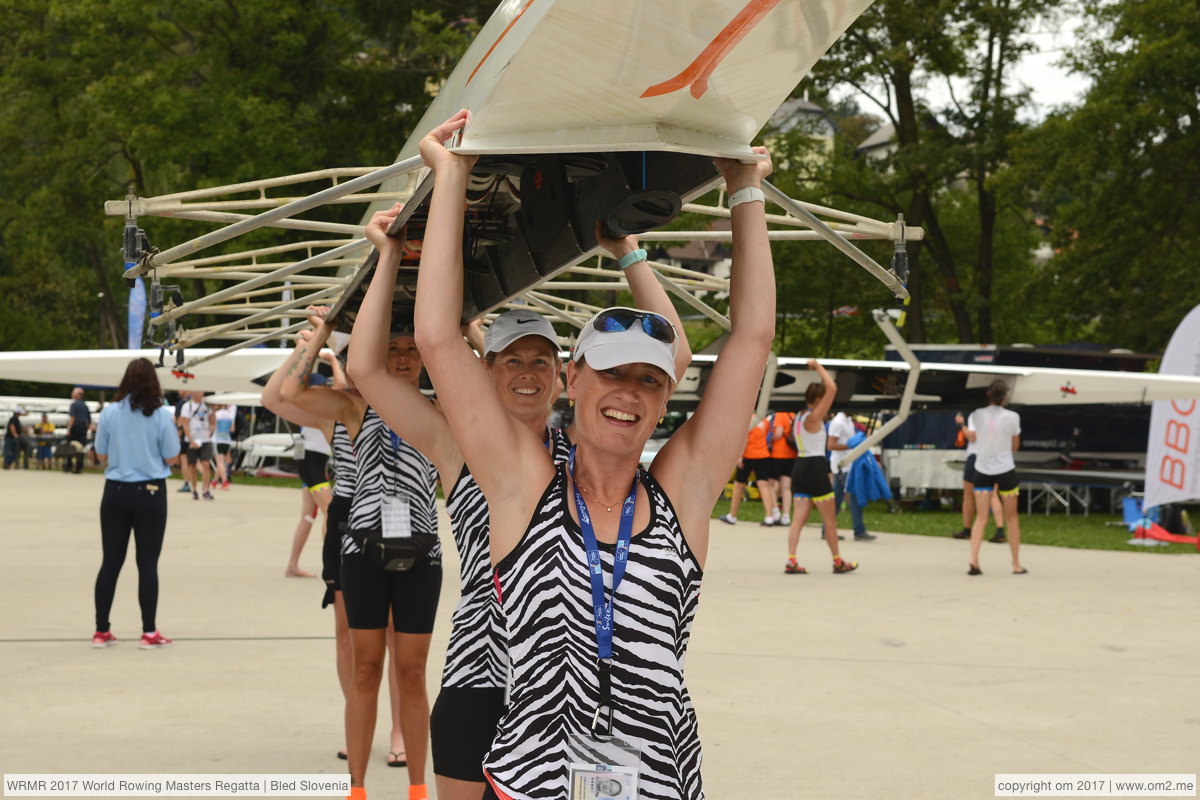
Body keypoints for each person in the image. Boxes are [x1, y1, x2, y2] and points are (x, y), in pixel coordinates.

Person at [413, 110, 775, 800]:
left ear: (664, 400)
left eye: (648, 379)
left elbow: (750, 340)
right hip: (532, 785)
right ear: (571, 381)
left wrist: (744, 191)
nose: (628, 393)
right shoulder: (522, 487)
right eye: (611, 373)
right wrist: (453, 176)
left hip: (660, 784)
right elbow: (437, 340)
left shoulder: (682, 492)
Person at [351, 192, 688, 800]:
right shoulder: (456, 447)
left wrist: (631, 255)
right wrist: (388, 259)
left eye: (541, 360)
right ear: (486, 370)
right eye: (512, 361)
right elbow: (368, 372)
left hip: (574, 690)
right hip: (481, 674)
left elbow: (671, 361)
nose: (527, 372)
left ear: (566, 376)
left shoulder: (587, 449)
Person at [280, 310, 435, 799]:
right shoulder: (354, 407)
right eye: (394, 347)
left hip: (422, 553)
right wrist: (322, 336)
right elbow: (290, 393)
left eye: (412, 348)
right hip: (361, 550)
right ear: (378, 356)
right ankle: (358, 788)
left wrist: (467, 332)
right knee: (365, 667)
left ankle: (414, 789)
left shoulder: (443, 406)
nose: (404, 356)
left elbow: (493, 384)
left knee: (411, 671)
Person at [263, 328, 409, 774]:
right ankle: (358, 720)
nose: (351, 367)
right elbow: (274, 398)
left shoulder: (406, 403)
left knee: (395, 634)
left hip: (401, 518)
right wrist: (307, 345)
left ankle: (399, 732)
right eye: (345, 360)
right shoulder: (335, 411)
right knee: (348, 635)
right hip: (347, 521)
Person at [91, 358, 181, 649]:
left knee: (111, 562)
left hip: (115, 491)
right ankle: (149, 632)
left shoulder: (110, 413)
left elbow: (101, 455)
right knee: (147, 563)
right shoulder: (160, 416)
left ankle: (101, 630)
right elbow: (171, 457)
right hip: (151, 492)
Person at [783, 361, 859, 575]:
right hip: (815, 467)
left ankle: (791, 560)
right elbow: (833, 389)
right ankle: (837, 561)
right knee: (829, 520)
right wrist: (818, 367)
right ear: (818, 400)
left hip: (800, 466)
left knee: (798, 519)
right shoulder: (814, 417)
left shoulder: (799, 417)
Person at [964, 380, 1026, 575]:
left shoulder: (977, 414)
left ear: (988, 395)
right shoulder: (1013, 417)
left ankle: (974, 559)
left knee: (981, 517)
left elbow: (973, 436)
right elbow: (1015, 446)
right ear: (1005, 397)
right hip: (1005, 469)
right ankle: (1015, 564)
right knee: (1012, 518)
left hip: (982, 468)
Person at [952, 412, 1006, 542]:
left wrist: (961, 424)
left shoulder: (975, 416)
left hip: (977, 455)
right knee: (993, 494)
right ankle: (1000, 530)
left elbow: (972, 437)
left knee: (968, 494)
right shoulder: (1001, 416)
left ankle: (967, 529)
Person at [717, 415, 777, 525]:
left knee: (739, 484)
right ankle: (769, 516)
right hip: (763, 454)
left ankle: (733, 515)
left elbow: (745, 437)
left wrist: (739, 456)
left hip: (748, 455)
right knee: (763, 484)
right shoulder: (764, 419)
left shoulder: (748, 418)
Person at [828, 411, 876, 542]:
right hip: (843, 466)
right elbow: (831, 445)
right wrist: (851, 446)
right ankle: (859, 530)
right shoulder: (838, 422)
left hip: (848, 465)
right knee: (854, 497)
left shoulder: (847, 421)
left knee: (838, 499)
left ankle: (827, 530)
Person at [179, 391, 215, 500]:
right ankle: (194, 489)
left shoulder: (207, 406)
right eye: (199, 392)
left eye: (202, 392)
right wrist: (191, 440)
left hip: (205, 439)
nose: (201, 394)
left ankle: (206, 489)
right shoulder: (187, 406)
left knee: (206, 464)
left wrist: (212, 429)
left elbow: (212, 421)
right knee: (192, 465)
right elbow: (184, 424)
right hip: (192, 440)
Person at [769, 409, 798, 526]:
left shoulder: (780, 414)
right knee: (786, 487)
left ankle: (775, 512)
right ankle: (786, 516)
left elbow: (778, 433)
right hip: (792, 454)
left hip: (778, 453)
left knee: (770, 484)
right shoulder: (793, 414)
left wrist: (769, 440)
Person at [66, 387, 92, 473]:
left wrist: (69, 429)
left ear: (78, 395)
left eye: (73, 392)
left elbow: (72, 417)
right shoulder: (85, 405)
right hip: (83, 429)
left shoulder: (74, 405)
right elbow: (89, 420)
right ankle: (79, 467)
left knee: (71, 446)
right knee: (81, 448)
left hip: (75, 428)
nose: (71, 394)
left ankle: (69, 466)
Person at [211, 403, 236, 489]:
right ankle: (215, 481)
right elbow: (232, 429)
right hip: (227, 441)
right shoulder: (230, 415)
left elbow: (213, 427)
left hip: (217, 440)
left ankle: (225, 481)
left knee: (219, 462)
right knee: (221, 462)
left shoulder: (217, 414)